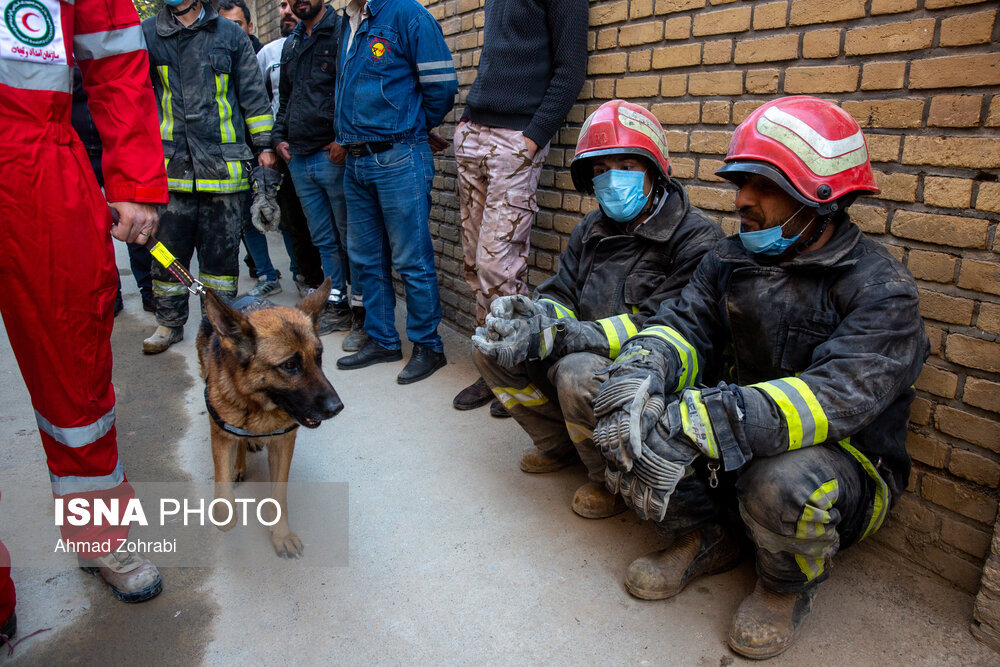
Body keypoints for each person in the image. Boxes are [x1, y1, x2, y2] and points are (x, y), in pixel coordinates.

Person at [590, 96, 929, 659]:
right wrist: (642, 368)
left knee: (782, 482)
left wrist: (706, 418)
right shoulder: (727, 259)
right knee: (636, 410)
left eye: (764, 186)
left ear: (822, 198)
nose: (742, 199)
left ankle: (783, 586)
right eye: (742, 182)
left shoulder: (881, 290)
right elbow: (685, 327)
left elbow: (834, 399)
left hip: (841, 461)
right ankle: (706, 538)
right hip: (741, 438)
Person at [0, 0, 170, 626]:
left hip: (36, 164)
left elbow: (119, 58)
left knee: (75, 372)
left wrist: (133, 179)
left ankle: (99, 536)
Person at [472, 101, 723, 518]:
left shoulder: (696, 239)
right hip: (582, 351)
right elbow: (562, 293)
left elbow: (661, 325)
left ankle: (608, 475)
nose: (611, 181)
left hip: (650, 376)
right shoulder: (592, 228)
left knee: (576, 373)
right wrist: (537, 319)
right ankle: (560, 445)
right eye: (601, 171)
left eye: (625, 165)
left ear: (656, 171)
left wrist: (567, 337)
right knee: (489, 344)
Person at [452, 0, 588, 418]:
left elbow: (571, 70)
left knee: (499, 266)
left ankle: (514, 373)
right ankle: (492, 365)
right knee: (476, 263)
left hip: (516, 139)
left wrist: (534, 137)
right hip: (474, 132)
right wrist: (466, 122)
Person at [141, 0, 276, 354]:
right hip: (172, 171)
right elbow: (137, 100)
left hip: (223, 171)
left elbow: (253, 96)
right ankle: (168, 323)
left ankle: (219, 331)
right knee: (167, 254)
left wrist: (264, 148)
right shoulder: (148, 35)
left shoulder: (230, 34)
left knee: (221, 262)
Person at [334, 0, 458, 383]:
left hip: (397, 156)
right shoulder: (350, 21)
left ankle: (428, 346)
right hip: (356, 160)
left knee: (411, 259)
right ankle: (383, 339)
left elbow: (441, 86)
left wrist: (412, 127)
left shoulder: (407, 14)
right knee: (365, 259)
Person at [273, 0, 361, 339]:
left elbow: (351, 89)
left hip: (332, 156)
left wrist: (344, 138)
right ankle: (336, 304)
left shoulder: (343, 31)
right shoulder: (293, 42)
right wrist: (279, 139)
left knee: (350, 237)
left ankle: (360, 312)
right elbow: (287, 98)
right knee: (324, 239)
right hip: (299, 158)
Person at [71, 66, 156, 316]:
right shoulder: (57, 46)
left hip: (115, 151)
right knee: (94, 233)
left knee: (136, 225)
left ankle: (148, 290)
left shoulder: (103, 43)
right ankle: (110, 294)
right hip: (78, 153)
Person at [257, 0, 325, 299]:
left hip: (324, 150)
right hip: (286, 152)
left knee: (328, 228)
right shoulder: (272, 52)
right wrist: (271, 142)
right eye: (282, 4)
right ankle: (306, 278)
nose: (286, 10)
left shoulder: (334, 37)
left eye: (289, 5)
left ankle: (335, 288)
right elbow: (267, 102)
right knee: (294, 222)